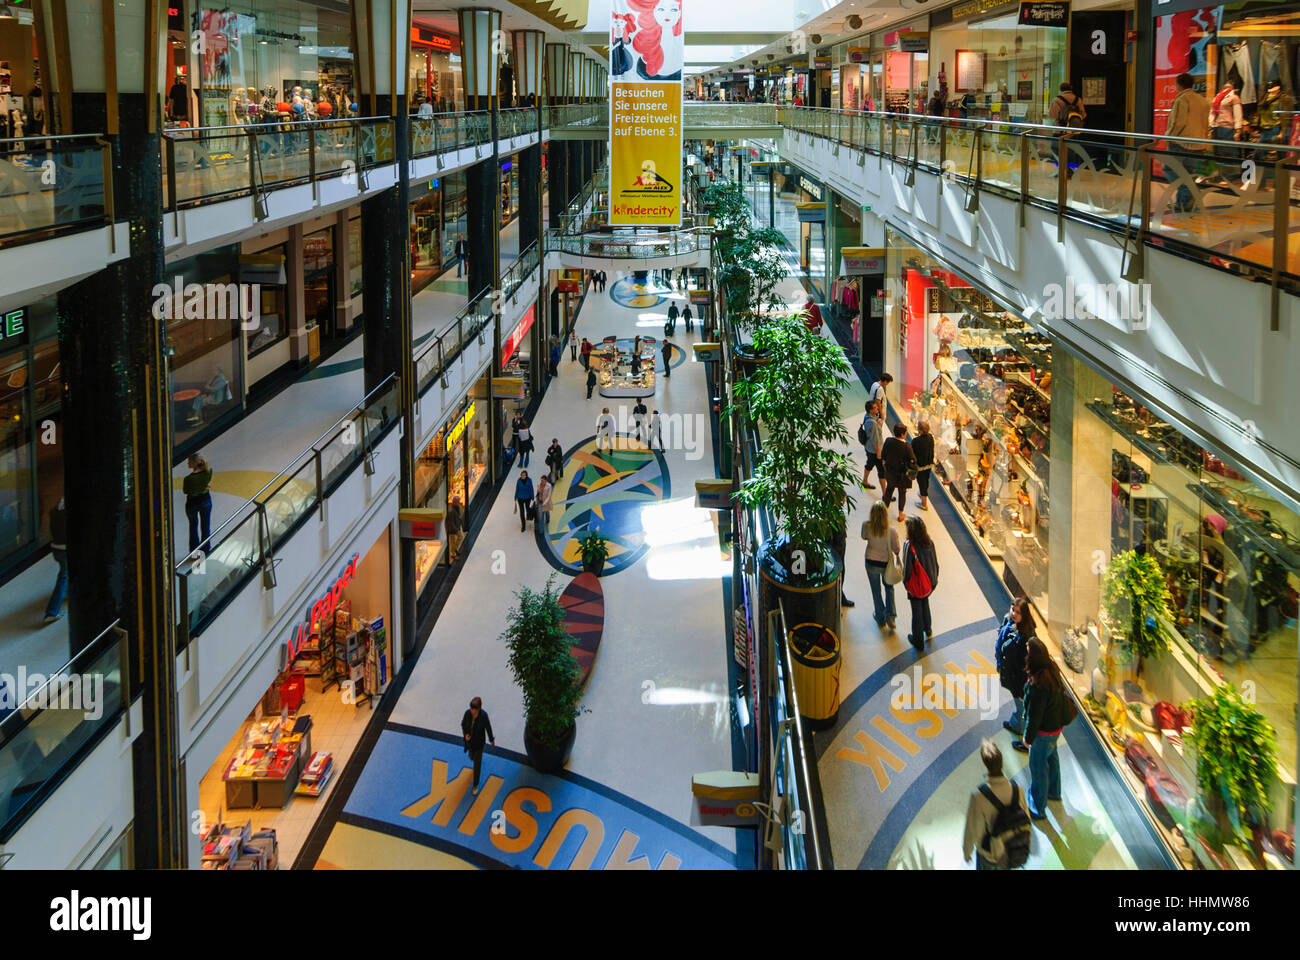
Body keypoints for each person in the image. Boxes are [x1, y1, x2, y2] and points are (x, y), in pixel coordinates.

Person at [1022, 637, 1075, 819]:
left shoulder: (1038, 684)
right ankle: (1054, 792)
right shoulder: (1052, 671)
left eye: (1028, 651)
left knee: (1038, 768)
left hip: (1042, 733)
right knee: (1052, 759)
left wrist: (1027, 738)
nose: (1026, 654)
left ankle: (1038, 806)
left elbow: (1034, 716)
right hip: (1055, 729)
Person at [963, 739, 1031, 870]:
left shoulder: (979, 796)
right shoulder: (1017, 788)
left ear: (984, 764)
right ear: (1002, 762)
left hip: (990, 854)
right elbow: (1026, 817)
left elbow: (973, 828)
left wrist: (967, 852)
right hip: (1011, 848)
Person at [996, 598, 1034, 752]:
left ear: (1024, 615)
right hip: (1010, 673)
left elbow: (1026, 666)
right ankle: (1017, 724)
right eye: (1013, 609)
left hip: (1019, 679)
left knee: (1022, 707)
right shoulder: (1008, 622)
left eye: (1018, 612)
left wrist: (1021, 689)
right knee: (1019, 705)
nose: (1014, 613)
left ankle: (1021, 731)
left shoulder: (1027, 637)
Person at [861, 500, 901, 629]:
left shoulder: (866, 526)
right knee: (889, 589)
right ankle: (891, 616)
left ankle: (880, 616)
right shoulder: (891, 531)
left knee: (876, 590)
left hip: (870, 562)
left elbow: (864, 537)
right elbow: (897, 549)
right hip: (886, 564)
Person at [901, 515, 938, 650]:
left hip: (916, 586)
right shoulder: (930, 542)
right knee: (925, 602)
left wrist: (906, 584)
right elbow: (935, 563)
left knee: (916, 612)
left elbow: (906, 568)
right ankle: (928, 629)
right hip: (930, 583)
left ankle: (918, 641)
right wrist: (934, 581)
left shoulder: (909, 546)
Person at [881, 422, 918, 523]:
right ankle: (901, 514)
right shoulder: (907, 446)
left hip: (890, 472)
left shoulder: (888, 441)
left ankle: (884, 512)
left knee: (889, 490)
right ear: (903, 434)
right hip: (902, 475)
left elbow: (883, 454)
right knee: (902, 493)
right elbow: (913, 459)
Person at [461, 696, 496, 795]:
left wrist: (491, 739)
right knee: (472, 757)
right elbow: (463, 724)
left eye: (474, 709)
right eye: (471, 708)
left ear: (479, 709)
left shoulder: (483, 716)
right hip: (470, 743)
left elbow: (488, 728)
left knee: (477, 765)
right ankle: (473, 757)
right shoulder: (467, 714)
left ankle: (475, 785)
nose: (472, 711)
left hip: (479, 743)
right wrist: (466, 734)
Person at [44, 498, 68, 624]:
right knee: (63, 577)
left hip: (57, 549)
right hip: (66, 550)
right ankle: (52, 612)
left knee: (64, 574)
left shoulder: (54, 511)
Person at [184, 455, 213, 556]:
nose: (187, 464)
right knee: (205, 526)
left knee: (193, 526)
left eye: (189, 462)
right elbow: (207, 483)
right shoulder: (208, 473)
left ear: (194, 464)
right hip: (205, 500)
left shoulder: (188, 479)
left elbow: (186, 490)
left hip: (192, 503)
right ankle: (206, 549)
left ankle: (194, 552)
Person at [861, 400, 885, 490]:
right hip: (875, 450)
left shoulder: (867, 416)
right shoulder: (872, 423)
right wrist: (879, 453)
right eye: (875, 408)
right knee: (881, 471)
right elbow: (875, 439)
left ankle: (864, 481)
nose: (877, 408)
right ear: (870, 410)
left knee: (869, 464)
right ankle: (885, 494)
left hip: (868, 448)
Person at [911, 420, 935, 511]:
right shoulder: (930, 437)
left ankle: (924, 503)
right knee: (926, 480)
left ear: (920, 430)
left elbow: (912, 453)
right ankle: (923, 495)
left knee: (922, 483)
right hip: (929, 464)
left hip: (920, 466)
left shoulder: (916, 441)